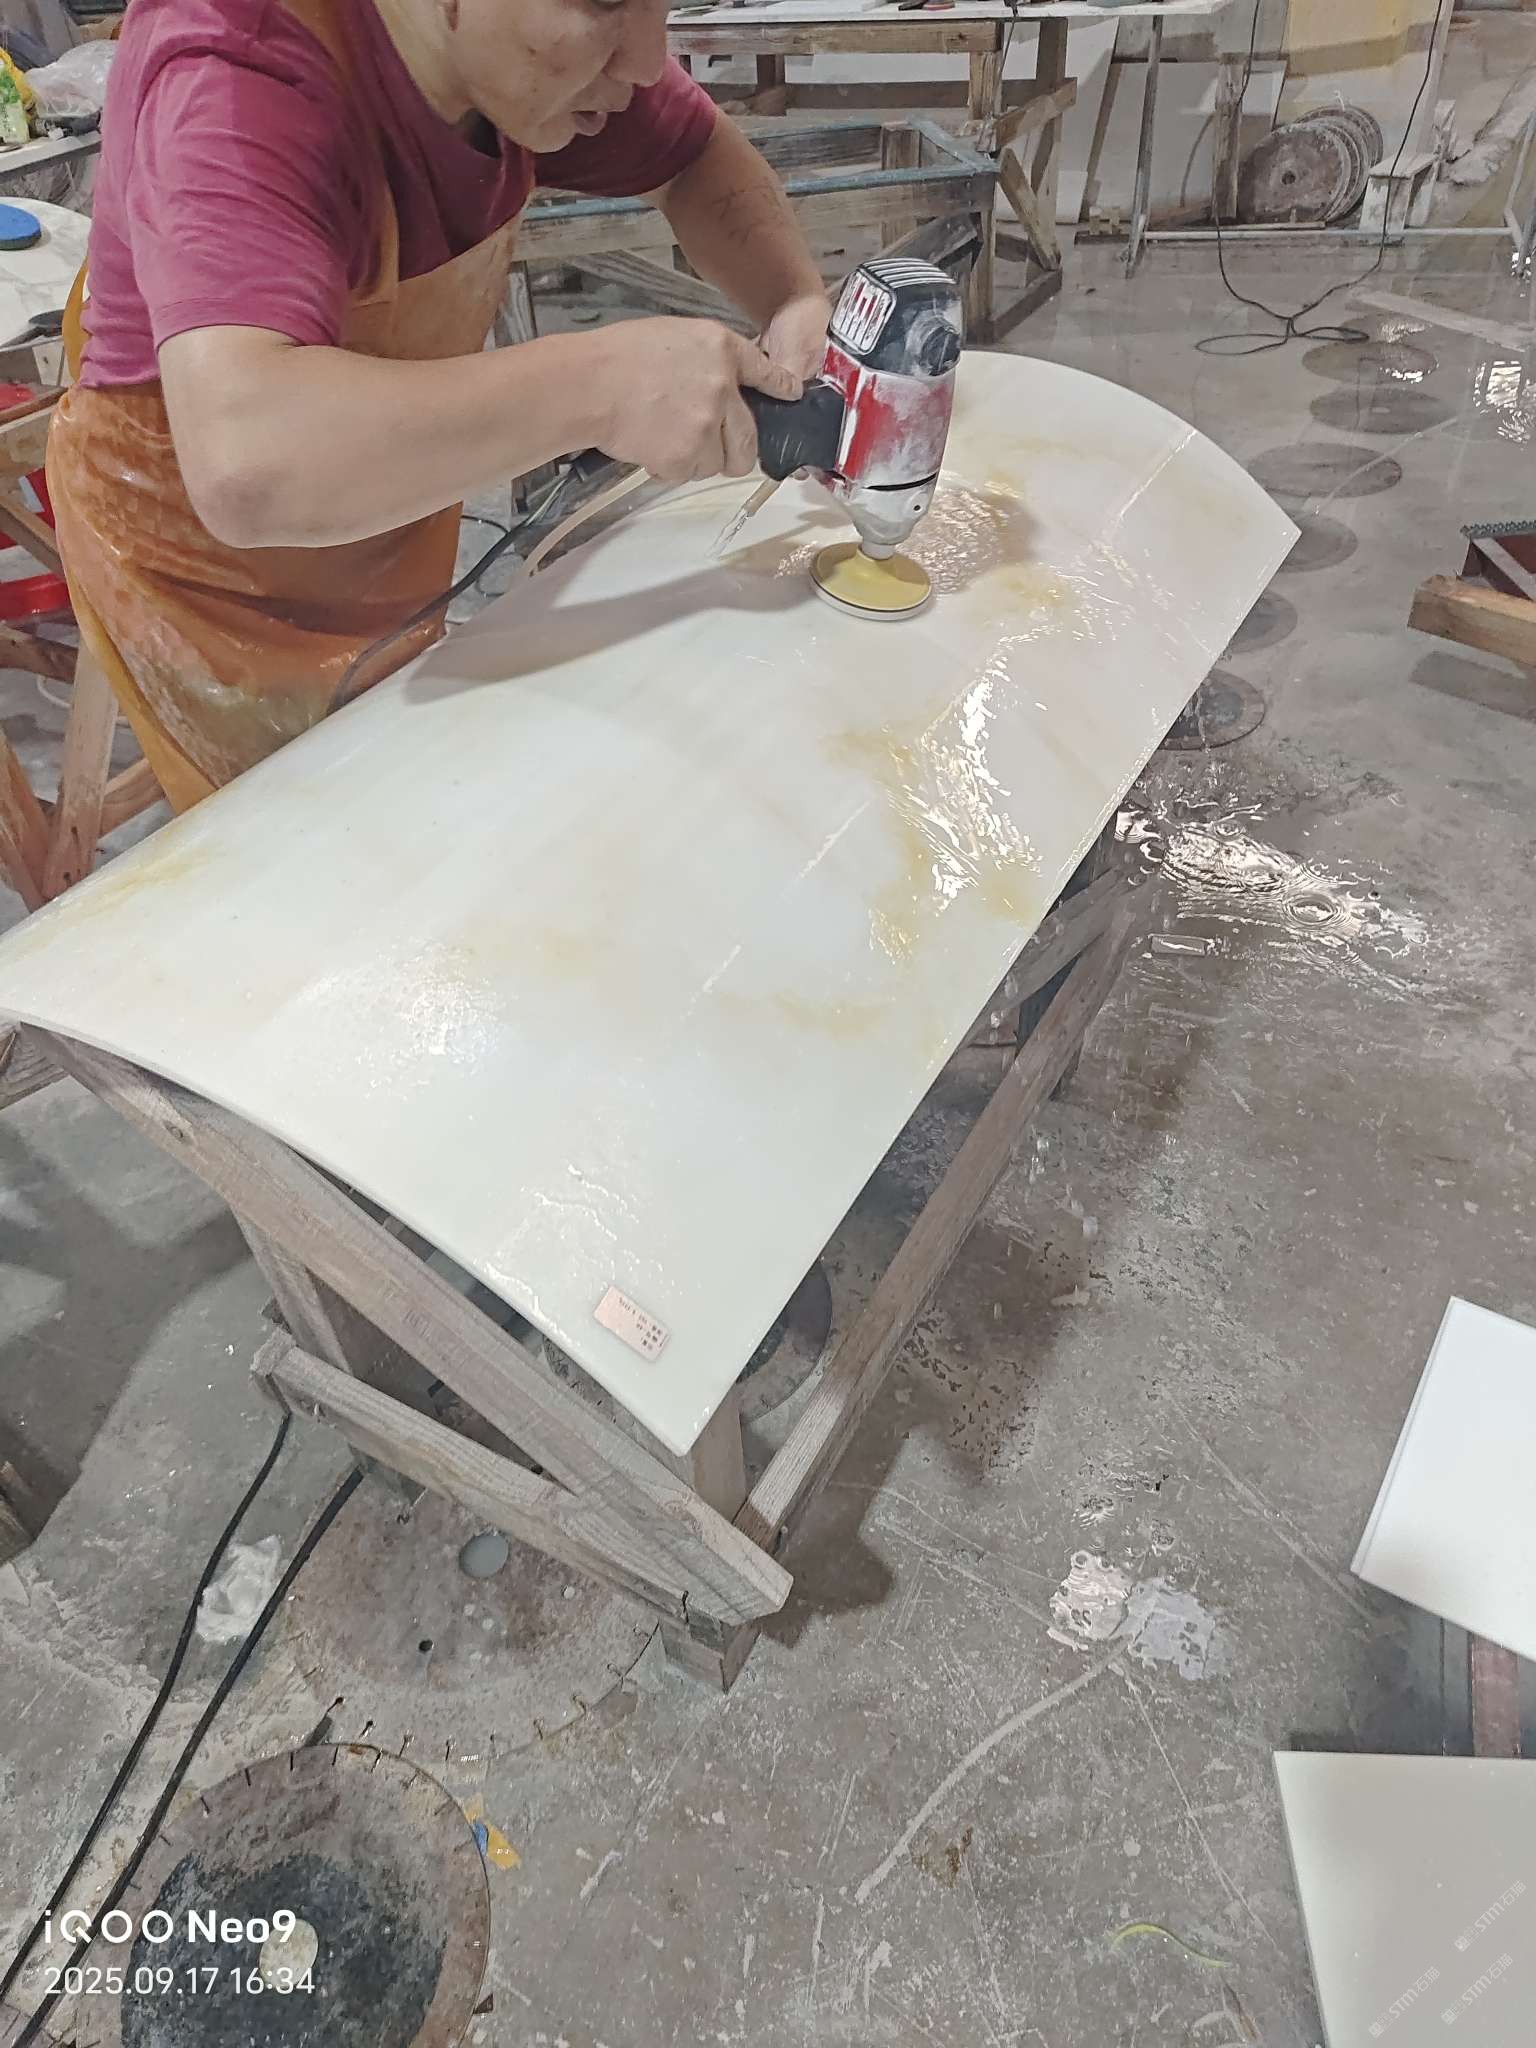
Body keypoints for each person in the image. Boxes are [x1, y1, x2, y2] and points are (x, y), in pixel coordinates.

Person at [46, 0, 831, 809]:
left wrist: (793, 298)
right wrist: (603, 385)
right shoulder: (234, 68)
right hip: (207, 572)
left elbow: (693, 156)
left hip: (381, 518)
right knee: (300, 836)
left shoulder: (540, 58)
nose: (646, 59)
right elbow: (249, 460)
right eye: (604, 2)